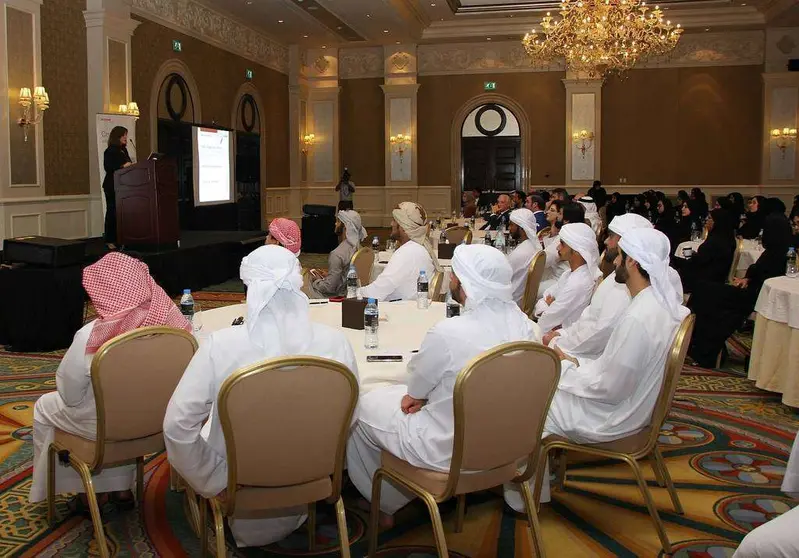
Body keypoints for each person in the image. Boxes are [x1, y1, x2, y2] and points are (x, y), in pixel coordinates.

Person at [163, 245, 358, 548]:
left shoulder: (220, 345)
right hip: (314, 475)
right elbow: (351, 417)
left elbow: (177, 426)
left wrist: (211, 480)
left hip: (237, 481)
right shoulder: (335, 342)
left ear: (250, 288)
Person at [347, 244, 540, 519]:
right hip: (510, 442)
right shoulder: (528, 328)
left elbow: (415, 388)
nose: (450, 280)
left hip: (448, 448)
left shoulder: (450, 332)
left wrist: (418, 395)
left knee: (363, 407)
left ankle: (386, 501)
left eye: (454, 276)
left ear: (465, 284)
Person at [506, 227, 689, 512]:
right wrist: (576, 364)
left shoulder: (639, 318)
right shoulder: (660, 306)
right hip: (630, 403)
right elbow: (614, 371)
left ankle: (523, 498)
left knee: (527, 399)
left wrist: (563, 370)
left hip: (614, 416)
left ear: (633, 262)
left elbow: (610, 389)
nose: (613, 262)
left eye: (619, 257)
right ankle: (533, 486)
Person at [29, 253, 192, 505]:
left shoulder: (91, 337)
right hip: (159, 422)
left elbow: (69, 395)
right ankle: (120, 487)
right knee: (127, 402)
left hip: (109, 428)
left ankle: (84, 492)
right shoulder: (174, 325)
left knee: (46, 406)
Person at [689, 215, 793, 368]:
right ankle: (695, 343)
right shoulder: (773, 251)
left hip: (755, 298)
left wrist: (750, 280)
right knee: (702, 289)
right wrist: (747, 279)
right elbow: (757, 272)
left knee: (706, 295)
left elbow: (769, 278)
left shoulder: (783, 255)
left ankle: (703, 349)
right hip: (748, 290)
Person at [543, 213, 644, 360]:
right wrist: (563, 334)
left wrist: (559, 341)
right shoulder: (616, 277)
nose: (606, 242)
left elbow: (599, 332)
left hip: (591, 356)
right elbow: (589, 317)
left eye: (611, 236)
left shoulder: (626, 285)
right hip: (578, 341)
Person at [359, 202, 438, 301]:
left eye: (395, 221)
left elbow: (378, 291)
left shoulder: (407, 252)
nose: (391, 224)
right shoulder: (420, 247)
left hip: (403, 311)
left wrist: (355, 292)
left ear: (404, 228)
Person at [534, 222, 599, 333]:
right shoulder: (569, 273)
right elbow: (546, 297)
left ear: (577, 250)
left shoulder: (578, 283)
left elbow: (549, 317)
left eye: (562, 244)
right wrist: (547, 304)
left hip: (556, 337)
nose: (558, 247)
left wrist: (547, 305)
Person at [674, 208, 737, 293]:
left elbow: (703, 260)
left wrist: (692, 256)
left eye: (710, 218)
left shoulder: (716, 240)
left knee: (677, 264)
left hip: (706, 277)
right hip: (716, 275)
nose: (706, 220)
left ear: (717, 222)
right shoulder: (727, 237)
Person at [308, 210, 367, 298]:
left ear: (346, 227)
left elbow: (329, 288)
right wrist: (329, 275)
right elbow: (346, 275)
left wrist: (316, 280)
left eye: (338, 221)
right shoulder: (361, 248)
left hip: (338, 297)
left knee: (303, 284)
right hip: (355, 293)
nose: (335, 224)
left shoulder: (337, 254)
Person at [538, 202, 586, 297]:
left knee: (530, 286)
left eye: (559, 214)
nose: (557, 217)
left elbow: (545, 259)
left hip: (560, 278)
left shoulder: (567, 237)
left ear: (567, 220)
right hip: (568, 275)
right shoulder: (581, 231)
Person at [102, 126, 133, 249]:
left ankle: (121, 238)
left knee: (122, 214)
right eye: (124, 135)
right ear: (117, 137)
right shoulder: (109, 151)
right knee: (112, 212)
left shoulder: (124, 151)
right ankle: (110, 240)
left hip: (124, 186)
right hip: (112, 186)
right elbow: (109, 167)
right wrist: (123, 166)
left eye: (126, 135)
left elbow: (129, 164)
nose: (126, 137)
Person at [507, 208, 543, 304]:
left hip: (511, 301)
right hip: (523, 299)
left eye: (511, 225)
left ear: (522, 228)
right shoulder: (533, 246)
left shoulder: (520, 253)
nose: (509, 228)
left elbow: (502, 278)